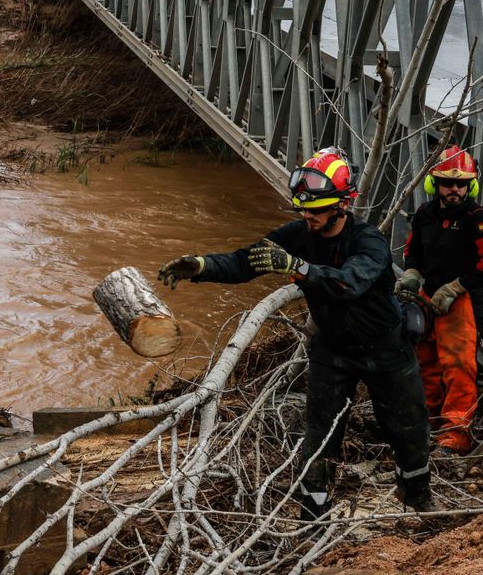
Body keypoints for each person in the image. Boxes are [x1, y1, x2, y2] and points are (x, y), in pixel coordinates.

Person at [158, 148, 433, 520]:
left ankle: (418, 500)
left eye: (316, 210)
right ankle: (312, 518)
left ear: (341, 205)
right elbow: (245, 261)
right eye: (302, 209)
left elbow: (349, 283)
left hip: (386, 347)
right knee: (319, 437)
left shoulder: (369, 242)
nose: (308, 217)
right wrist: (202, 266)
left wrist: (297, 267)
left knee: (408, 428)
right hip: (333, 350)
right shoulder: (298, 234)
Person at [395, 146, 483, 453]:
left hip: (463, 301)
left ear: (470, 185)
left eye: (461, 184)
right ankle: (426, 422)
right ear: (435, 184)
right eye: (447, 183)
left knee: (458, 367)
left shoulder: (475, 217)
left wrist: (456, 287)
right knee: (425, 360)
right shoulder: (424, 215)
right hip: (429, 296)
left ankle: (455, 434)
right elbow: (413, 252)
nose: (454, 189)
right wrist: (412, 273)